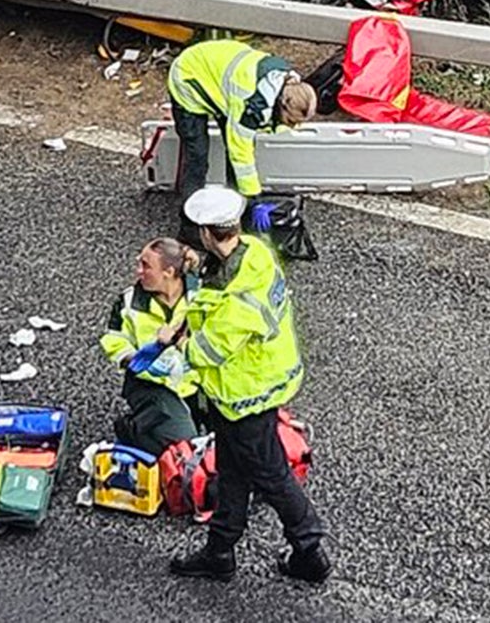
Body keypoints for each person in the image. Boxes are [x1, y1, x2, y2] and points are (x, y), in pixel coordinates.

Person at [158, 185, 329, 586]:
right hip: (250, 389)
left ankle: (310, 551)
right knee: (232, 471)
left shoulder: (234, 303)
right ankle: (220, 551)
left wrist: (175, 339)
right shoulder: (254, 253)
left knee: (272, 476)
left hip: (245, 396)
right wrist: (196, 267)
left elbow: (206, 351)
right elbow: (220, 279)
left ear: (206, 233)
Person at [166, 38, 317, 200]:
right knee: (197, 156)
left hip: (215, 72)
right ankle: (191, 209)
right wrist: (253, 197)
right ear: (282, 105)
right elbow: (241, 155)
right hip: (187, 78)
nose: (293, 127)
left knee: (233, 147)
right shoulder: (250, 107)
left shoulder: (285, 82)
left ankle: (235, 202)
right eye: (291, 121)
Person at [99, 237, 202, 456]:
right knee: (185, 449)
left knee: (226, 442)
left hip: (197, 381)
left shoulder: (201, 295)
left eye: (145, 266)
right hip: (150, 383)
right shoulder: (129, 301)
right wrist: (135, 359)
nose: (138, 271)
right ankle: (133, 431)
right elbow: (113, 339)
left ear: (169, 272)